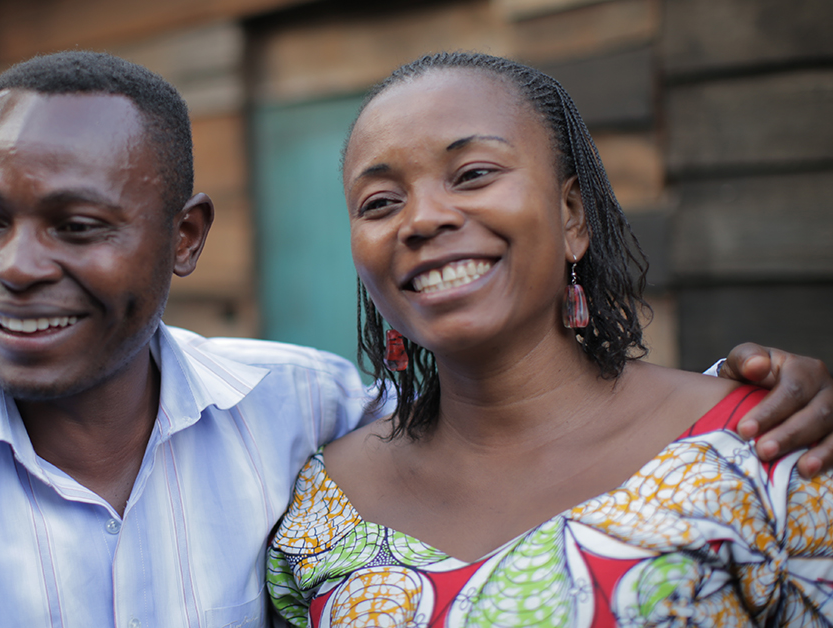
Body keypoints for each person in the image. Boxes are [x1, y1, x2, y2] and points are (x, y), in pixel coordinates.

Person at [0, 51, 828, 628]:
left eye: (80, 224)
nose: (15, 265)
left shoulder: (299, 414)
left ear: (184, 238)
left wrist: (752, 399)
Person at [267, 52, 833, 627]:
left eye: (473, 175)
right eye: (381, 203)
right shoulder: (321, 508)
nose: (422, 220)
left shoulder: (766, 443)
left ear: (571, 216)